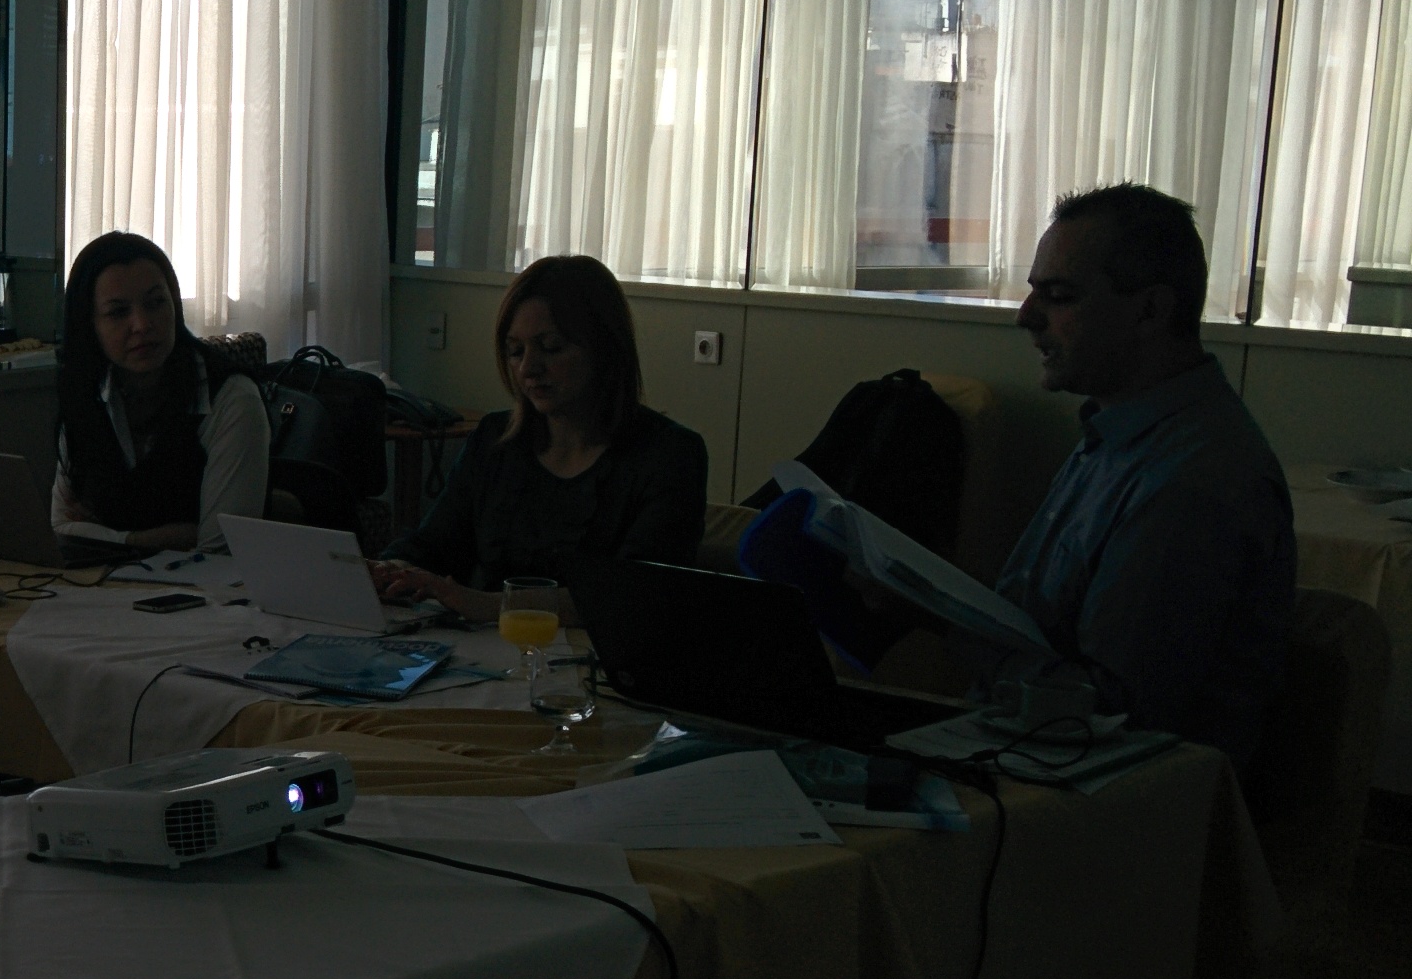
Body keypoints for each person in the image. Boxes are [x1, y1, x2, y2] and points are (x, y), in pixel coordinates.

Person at [746, 184, 1295, 770]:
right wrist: (932, 591)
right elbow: (1049, 631)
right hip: (1030, 755)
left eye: (1058, 296)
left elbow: (1111, 718)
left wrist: (939, 621)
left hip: (1110, 792)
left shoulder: (1191, 480)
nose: (1026, 317)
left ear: (1150, 311)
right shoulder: (1118, 436)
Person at [374, 252, 708, 620]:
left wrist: (483, 604)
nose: (528, 368)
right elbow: (435, 543)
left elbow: (633, 592)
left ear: (604, 347)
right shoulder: (495, 440)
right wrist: (390, 569)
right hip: (486, 647)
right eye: (515, 351)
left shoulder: (668, 455)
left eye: (551, 347)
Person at [51, 231, 271, 556]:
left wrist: (105, 536)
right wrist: (148, 540)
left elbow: (219, 552)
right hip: (106, 582)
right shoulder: (87, 390)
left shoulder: (231, 398)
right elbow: (60, 527)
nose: (142, 324)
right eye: (118, 312)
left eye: (156, 303)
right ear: (89, 325)